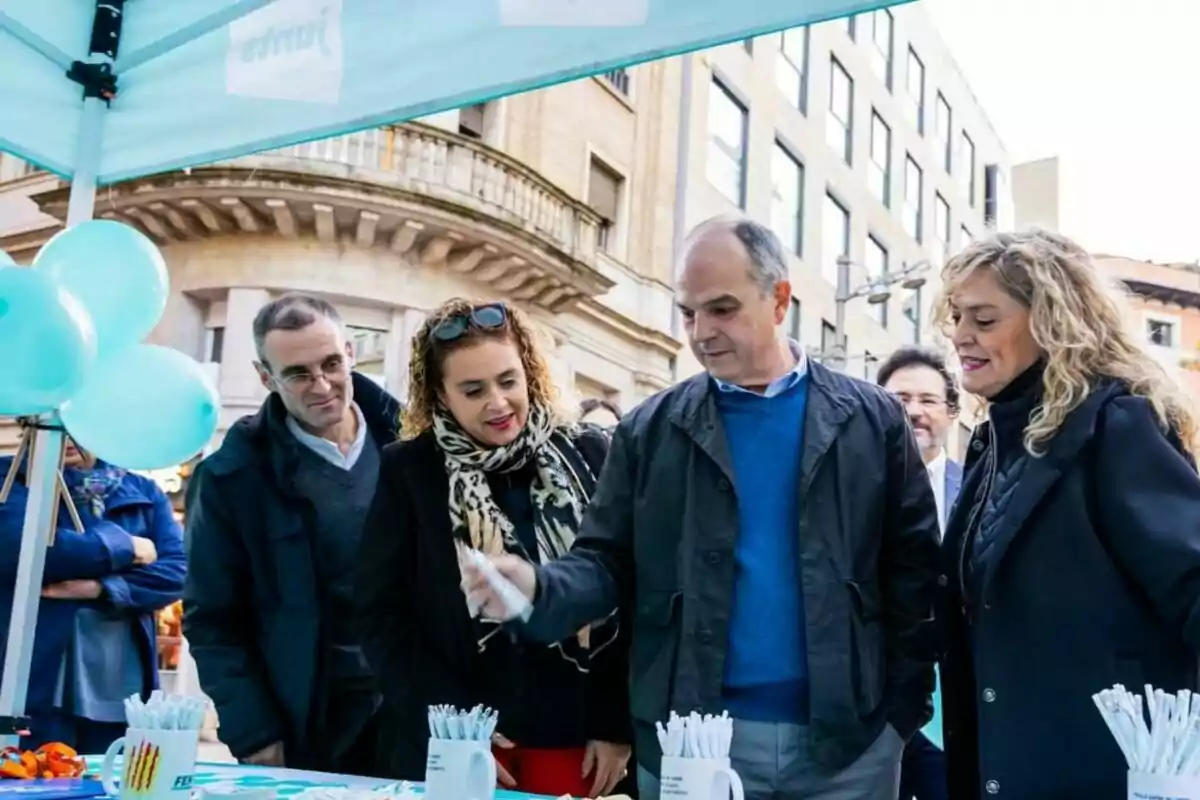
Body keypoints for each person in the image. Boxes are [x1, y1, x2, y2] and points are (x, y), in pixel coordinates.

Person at [464, 214, 942, 800]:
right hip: (690, 741)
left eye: (721, 308)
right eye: (688, 312)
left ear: (779, 301)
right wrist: (537, 587)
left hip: (849, 743)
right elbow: (604, 562)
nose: (700, 331)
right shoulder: (648, 430)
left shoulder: (874, 420)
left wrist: (898, 717)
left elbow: (916, 574)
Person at [935, 228, 1200, 799]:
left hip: (1100, 772)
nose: (960, 336)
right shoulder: (993, 445)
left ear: (1051, 322)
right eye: (956, 317)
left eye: (983, 320)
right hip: (1002, 772)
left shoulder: (1117, 427)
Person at [356, 299, 632, 795]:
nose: (498, 403)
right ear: (441, 395)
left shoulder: (590, 452)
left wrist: (615, 726)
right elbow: (380, 616)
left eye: (508, 381)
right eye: (473, 390)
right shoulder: (409, 471)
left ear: (528, 371)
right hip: (461, 739)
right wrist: (454, 727)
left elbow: (625, 587)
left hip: (577, 738)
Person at [183, 293, 402, 775]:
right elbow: (212, 619)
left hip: (411, 715)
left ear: (350, 352)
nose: (321, 385)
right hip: (303, 723)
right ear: (267, 378)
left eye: (330, 364)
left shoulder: (414, 447)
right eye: (299, 374)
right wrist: (254, 731)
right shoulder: (230, 479)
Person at [0, 434, 185, 753]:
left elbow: (178, 572)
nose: (66, 437)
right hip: (30, 682)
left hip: (118, 681)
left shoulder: (142, 491)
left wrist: (100, 588)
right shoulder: (9, 479)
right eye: (57, 423)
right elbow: (23, 548)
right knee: (29, 781)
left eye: (78, 425)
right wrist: (127, 547)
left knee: (111, 785)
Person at [877, 346, 963, 800]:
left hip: (953, 714)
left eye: (928, 400)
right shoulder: (849, 493)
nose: (913, 412)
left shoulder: (979, 491)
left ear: (951, 412)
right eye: (898, 399)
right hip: (871, 708)